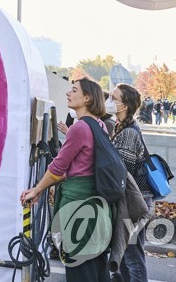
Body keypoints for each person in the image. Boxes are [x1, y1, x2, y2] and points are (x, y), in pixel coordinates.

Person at [20, 78, 110, 282]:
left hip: (78, 206)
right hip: (98, 206)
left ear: (87, 98)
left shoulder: (79, 128)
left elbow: (58, 168)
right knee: (95, 268)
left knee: (79, 269)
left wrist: (36, 190)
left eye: (74, 90)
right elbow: (73, 170)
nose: (68, 93)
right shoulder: (100, 125)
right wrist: (40, 188)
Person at [110, 84, 152, 282]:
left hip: (135, 203)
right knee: (125, 258)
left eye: (113, 98)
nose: (109, 101)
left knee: (132, 257)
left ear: (124, 105)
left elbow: (122, 173)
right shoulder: (123, 127)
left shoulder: (128, 133)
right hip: (135, 200)